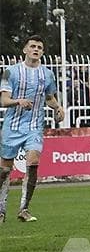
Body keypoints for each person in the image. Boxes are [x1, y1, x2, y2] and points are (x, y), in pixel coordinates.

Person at [0, 35, 65, 223]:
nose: (36, 49)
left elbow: (49, 97)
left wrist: (58, 107)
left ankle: (24, 208)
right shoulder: (10, 72)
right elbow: (3, 100)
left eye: (39, 47)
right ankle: (1, 210)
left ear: (42, 52)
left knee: (33, 162)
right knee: (4, 170)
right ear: (25, 50)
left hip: (34, 126)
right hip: (12, 126)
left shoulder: (47, 74)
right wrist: (18, 102)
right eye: (33, 46)